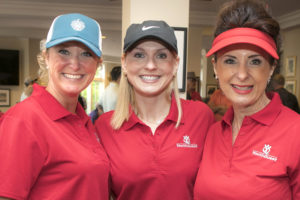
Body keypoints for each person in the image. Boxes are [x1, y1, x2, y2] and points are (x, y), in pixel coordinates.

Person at [95, 20, 214, 200]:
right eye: (139, 55)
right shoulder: (105, 126)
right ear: (124, 63)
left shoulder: (201, 117)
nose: (150, 65)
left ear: (175, 64)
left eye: (161, 56)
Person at [194, 0, 300, 199]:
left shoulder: (295, 133)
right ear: (216, 67)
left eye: (255, 61)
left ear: (271, 68)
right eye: (230, 61)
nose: (242, 74)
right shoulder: (213, 132)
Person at [0, 13, 109, 199]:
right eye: (63, 51)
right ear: (46, 57)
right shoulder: (23, 120)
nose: (74, 65)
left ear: (97, 64)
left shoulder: (84, 121)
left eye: (86, 54)